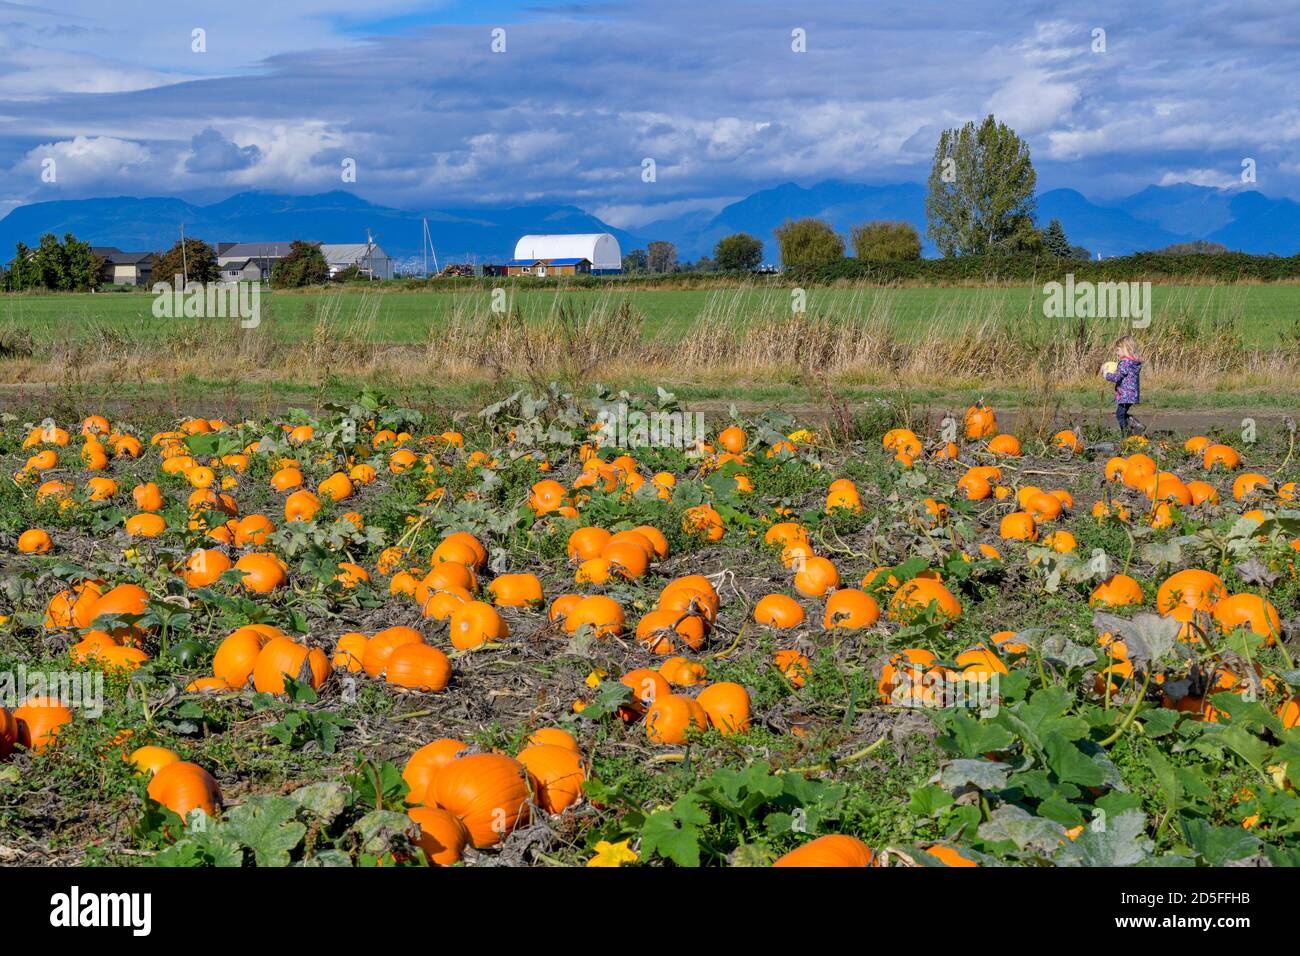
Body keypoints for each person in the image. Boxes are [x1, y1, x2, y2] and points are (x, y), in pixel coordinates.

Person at [1102, 335, 1143, 436]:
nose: (1117, 352)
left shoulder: (1125, 363)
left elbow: (1117, 377)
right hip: (1132, 394)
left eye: (1118, 350)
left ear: (1126, 349)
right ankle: (1135, 424)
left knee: (1119, 415)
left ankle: (1126, 435)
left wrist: (1106, 374)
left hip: (1126, 395)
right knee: (1122, 413)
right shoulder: (1133, 363)